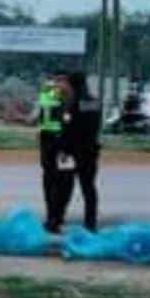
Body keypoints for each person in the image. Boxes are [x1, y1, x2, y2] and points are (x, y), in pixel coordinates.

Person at [50, 71, 102, 232]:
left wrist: (61, 147)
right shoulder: (94, 102)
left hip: (69, 152)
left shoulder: (71, 104)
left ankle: (56, 220)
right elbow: (94, 125)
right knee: (89, 187)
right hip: (90, 150)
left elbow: (68, 127)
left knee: (63, 187)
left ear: (72, 85)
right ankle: (90, 222)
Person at [33, 73, 68, 232]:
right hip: (49, 141)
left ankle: (56, 216)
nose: (58, 84)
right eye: (57, 80)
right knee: (51, 180)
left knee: (62, 180)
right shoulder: (48, 95)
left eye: (62, 81)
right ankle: (53, 217)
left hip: (63, 143)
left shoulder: (69, 97)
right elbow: (41, 117)